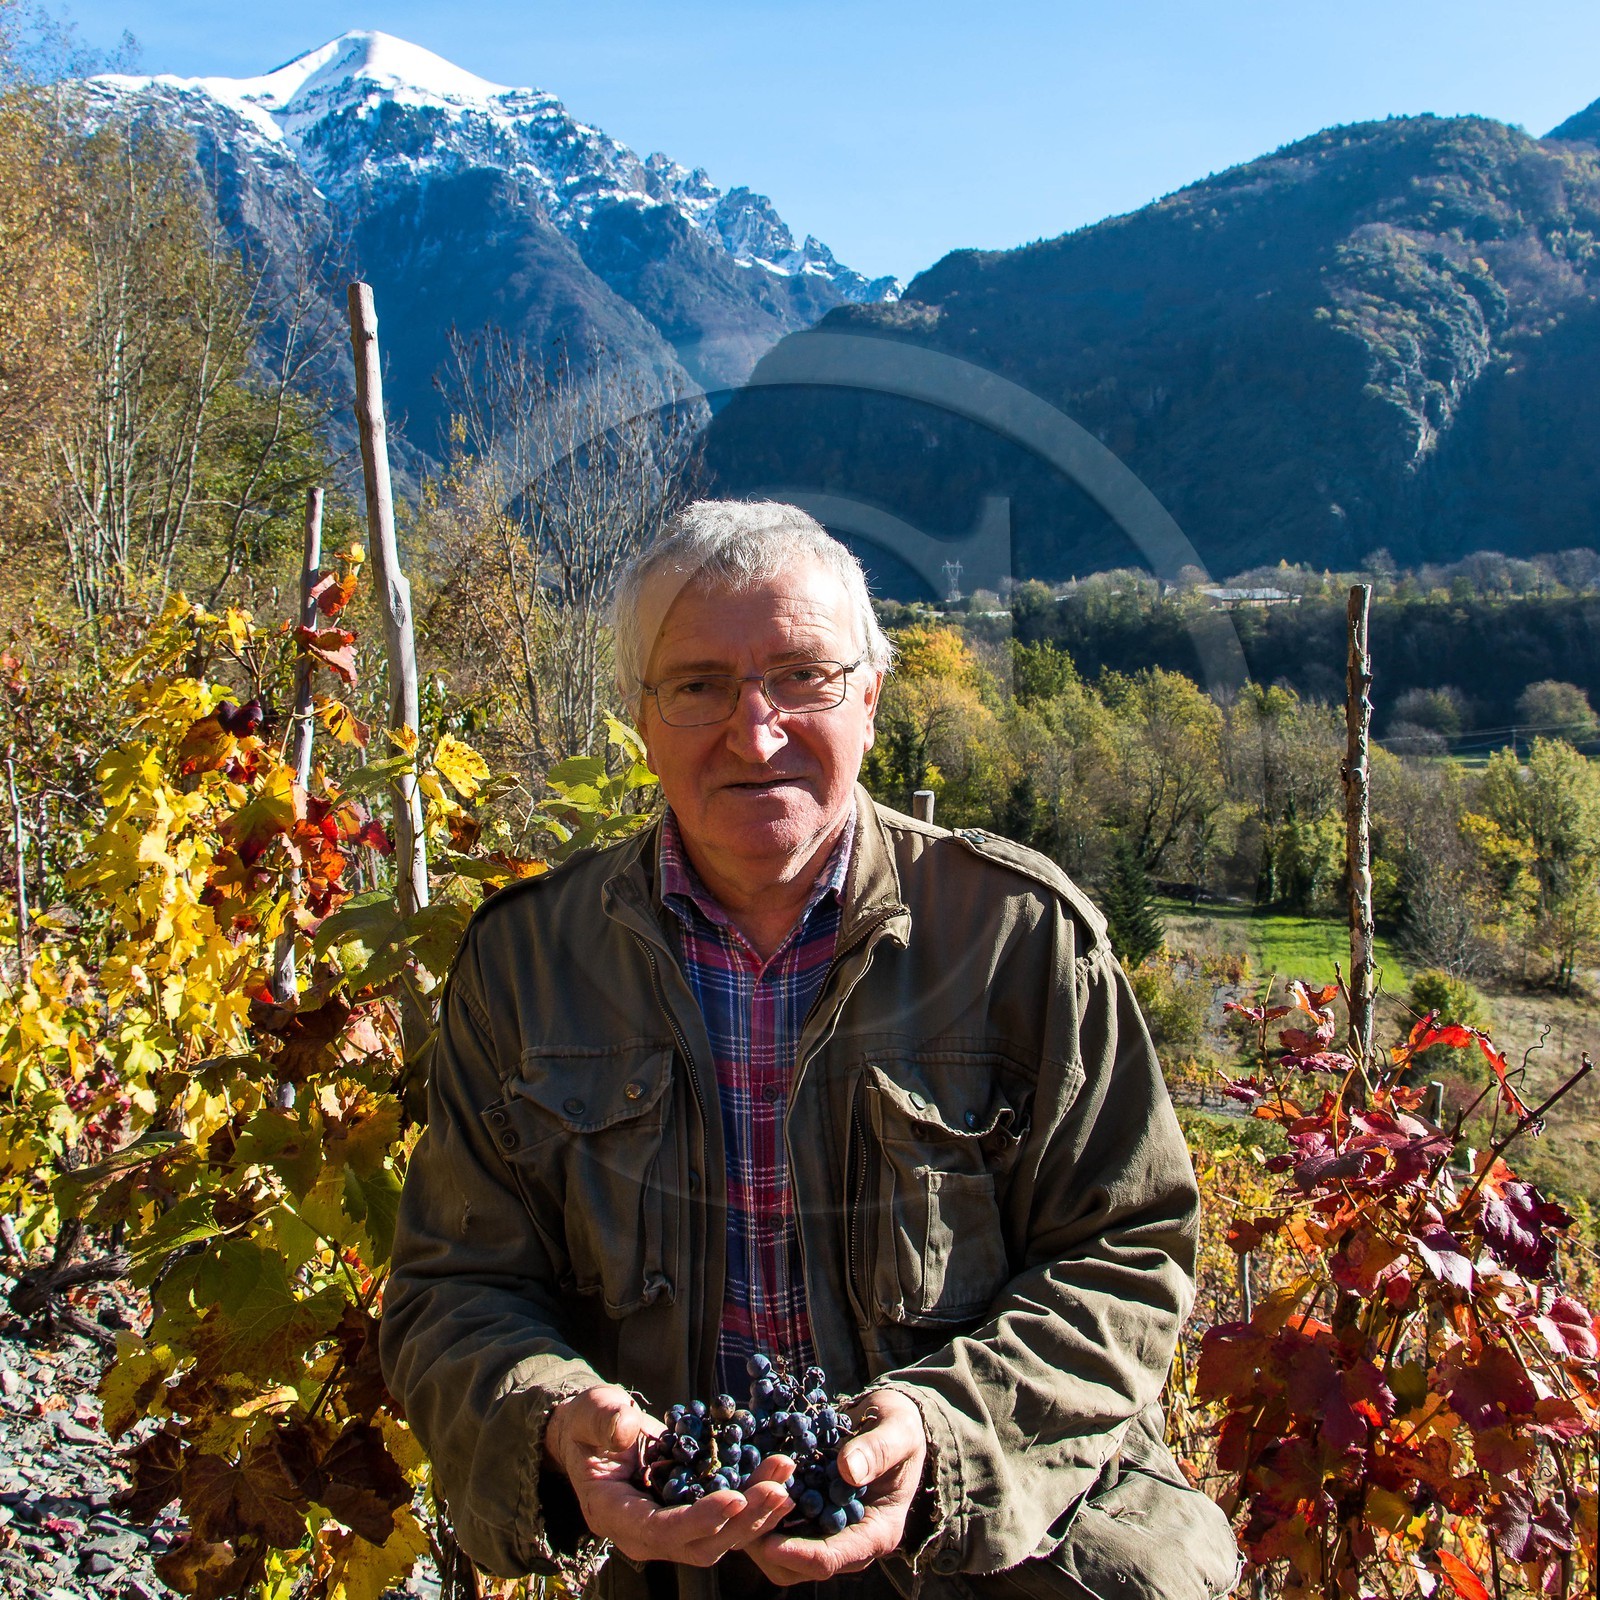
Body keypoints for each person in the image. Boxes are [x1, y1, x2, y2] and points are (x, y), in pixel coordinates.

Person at [380, 500, 1239, 1600]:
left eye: (801, 676)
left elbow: (1129, 1251)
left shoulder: (1022, 941)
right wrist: (551, 1418)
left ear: (871, 699)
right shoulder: (525, 967)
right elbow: (454, 1289)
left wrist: (941, 1431)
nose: (757, 729)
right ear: (642, 719)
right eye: (698, 686)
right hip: (680, 1564)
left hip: (998, 1552)